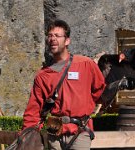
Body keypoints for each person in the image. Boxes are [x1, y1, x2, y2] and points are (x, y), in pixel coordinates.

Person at [22, 19, 106, 150]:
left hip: (80, 132)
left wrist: (84, 103)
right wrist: (26, 135)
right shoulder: (43, 76)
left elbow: (100, 89)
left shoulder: (85, 64)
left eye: (57, 35)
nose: (52, 39)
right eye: (50, 35)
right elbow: (34, 109)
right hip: (54, 133)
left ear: (67, 41)